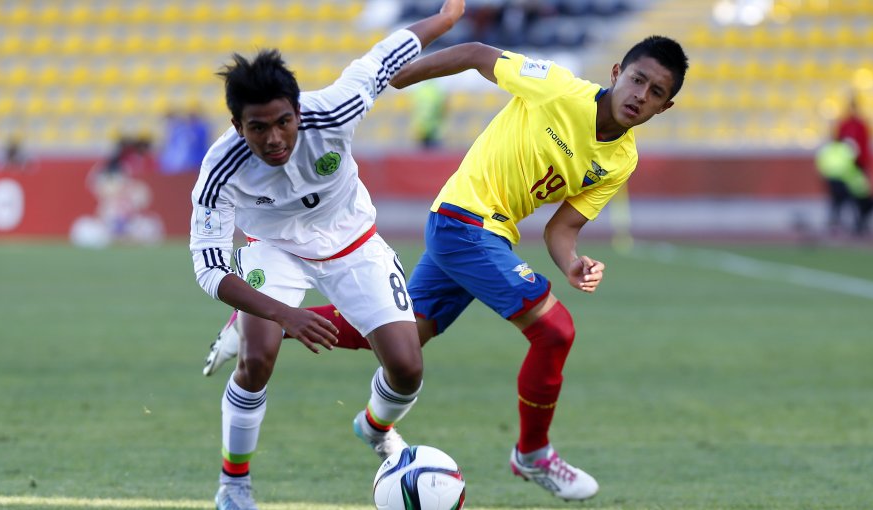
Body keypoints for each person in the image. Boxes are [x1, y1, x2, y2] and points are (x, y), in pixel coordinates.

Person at [203, 34, 688, 502]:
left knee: (404, 337)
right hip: (463, 220)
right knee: (554, 331)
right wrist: (401, 77)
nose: (640, 95)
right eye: (638, 80)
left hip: (492, 234)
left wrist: (573, 264)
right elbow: (479, 53)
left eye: (656, 93)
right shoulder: (558, 87)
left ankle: (271, 333)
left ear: (664, 107)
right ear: (616, 72)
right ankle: (533, 453)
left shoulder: (622, 160)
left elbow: (561, 230)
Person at [189, 2, 465, 509]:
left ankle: (375, 426)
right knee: (257, 359)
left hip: (351, 237)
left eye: (283, 122)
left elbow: (386, 56)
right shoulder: (219, 169)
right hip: (272, 247)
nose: (274, 138)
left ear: (298, 110)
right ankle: (234, 485)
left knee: (407, 366)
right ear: (236, 123)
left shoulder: (336, 107)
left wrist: (445, 20)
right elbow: (207, 268)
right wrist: (281, 313)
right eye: (257, 128)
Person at [815, 136, 873, 236]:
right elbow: (852, 164)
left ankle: (835, 225)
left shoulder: (828, 149)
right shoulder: (846, 149)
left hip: (831, 179)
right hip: (844, 180)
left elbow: (821, 164)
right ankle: (856, 225)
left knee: (837, 203)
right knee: (850, 203)